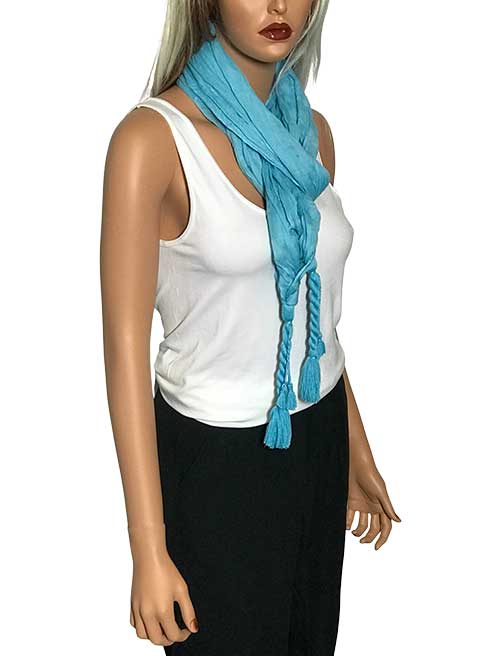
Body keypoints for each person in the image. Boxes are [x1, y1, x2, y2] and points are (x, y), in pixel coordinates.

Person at [100, 1, 401, 654]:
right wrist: (148, 549)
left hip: (317, 437)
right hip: (216, 462)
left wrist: (354, 448)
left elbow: (312, 314)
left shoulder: (311, 135)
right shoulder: (152, 142)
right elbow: (123, 354)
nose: (277, 5)